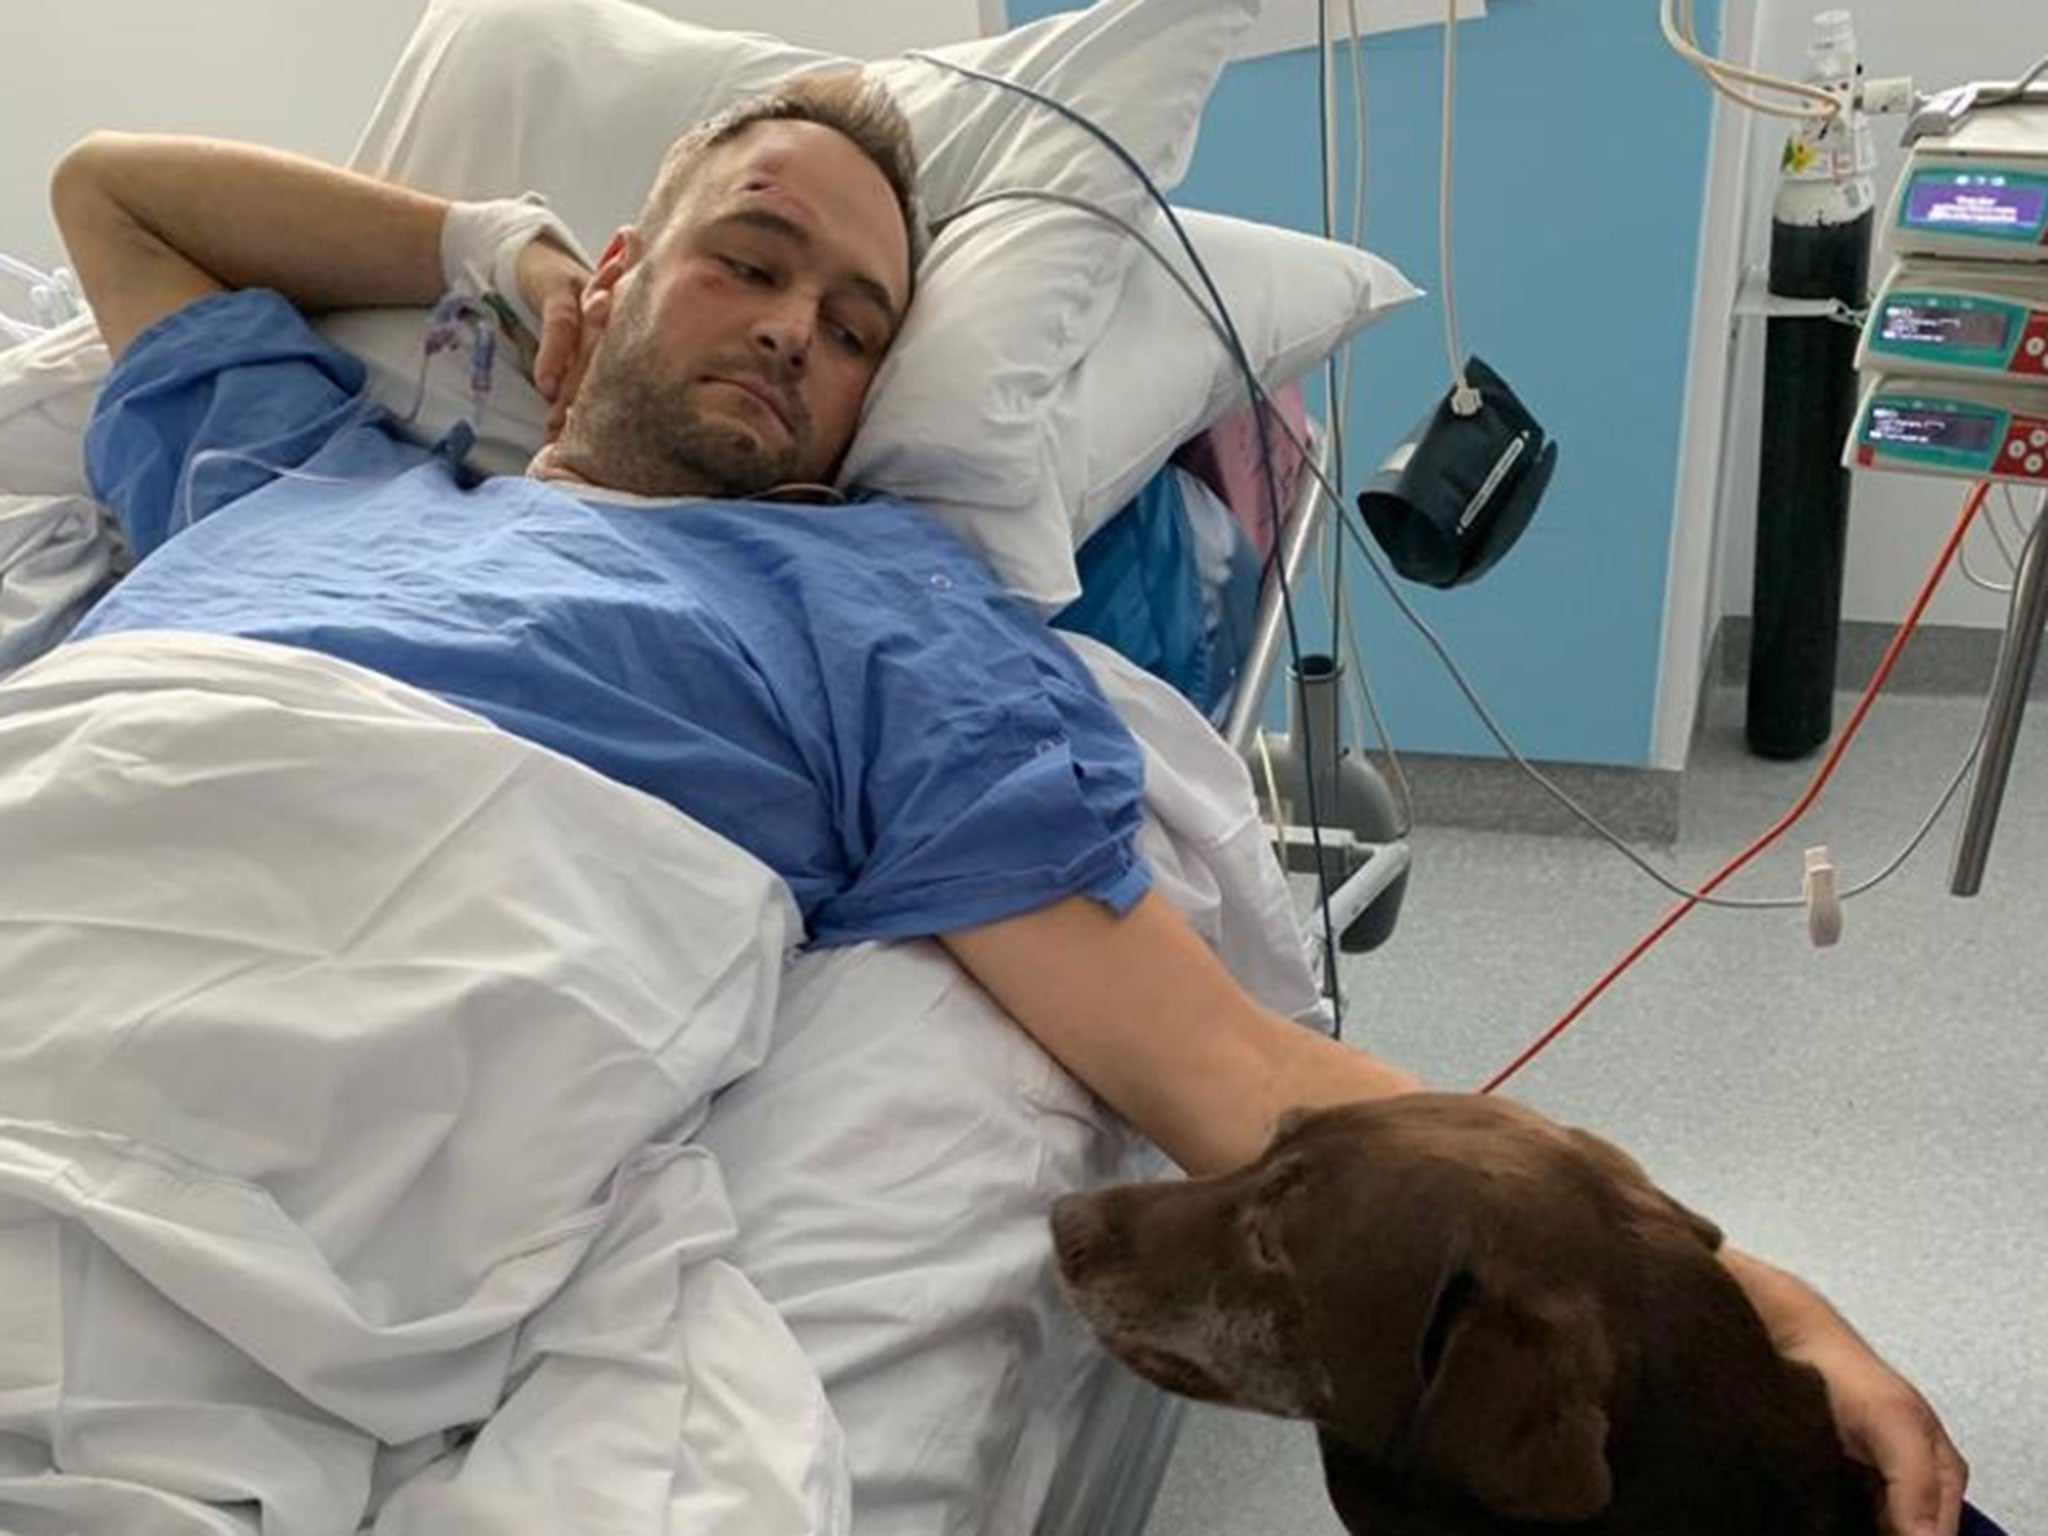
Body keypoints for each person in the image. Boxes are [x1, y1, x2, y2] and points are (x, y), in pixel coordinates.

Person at [48, 72, 1965, 1536]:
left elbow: (1225, 1074)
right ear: (621, 280)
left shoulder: (884, 611)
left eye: (864, 322)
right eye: (751, 257)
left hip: (389, 993)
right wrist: (501, 251)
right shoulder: (299, 478)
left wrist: (1743, 1292)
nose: (803, 328)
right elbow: (112, 195)